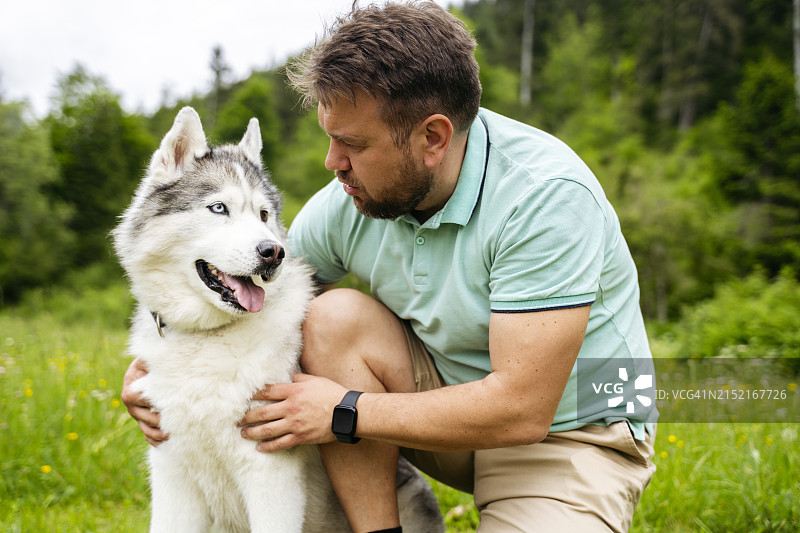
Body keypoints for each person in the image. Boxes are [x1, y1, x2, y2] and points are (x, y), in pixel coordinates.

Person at [122, 2, 658, 532]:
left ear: (432, 139)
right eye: (330, 138)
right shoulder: (350, 199)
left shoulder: (546, 199)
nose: (333, 163)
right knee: (331, 318)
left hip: (574, 426)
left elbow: (523, 409)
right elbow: (248, 290)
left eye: (352, 144)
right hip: (441, 407)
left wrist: (344, 411)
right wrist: (158, 365)